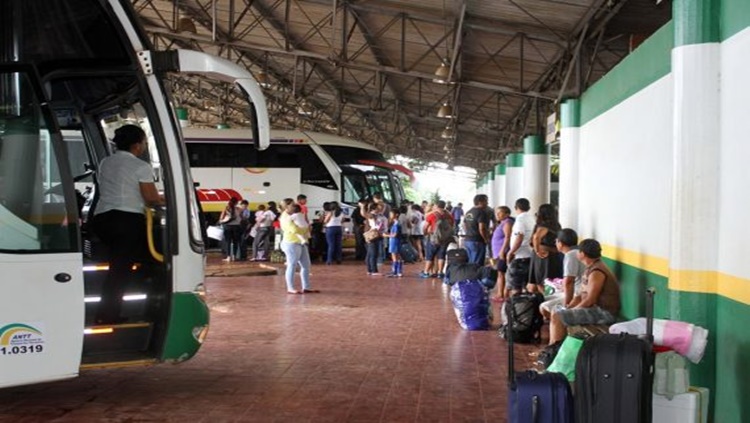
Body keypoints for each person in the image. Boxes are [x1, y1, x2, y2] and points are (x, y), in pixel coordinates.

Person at [93, 125, 164, 324]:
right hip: (126, 221)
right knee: (121, 270)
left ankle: (107, 312)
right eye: (143, 142)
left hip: (102, 220)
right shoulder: (141, 166)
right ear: (136, 145)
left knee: (119, 264)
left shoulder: (105, 162)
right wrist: (169, 199)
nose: (143, 146)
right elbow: (150, 198)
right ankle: (108, 315)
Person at [549, 239, 621, 345]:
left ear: (582, 254)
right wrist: (569, 308)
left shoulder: (597, 271)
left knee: (558, 316)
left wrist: (573, 310)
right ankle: (555, 348)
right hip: (595, 309)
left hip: (604, 313)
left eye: (578, 251)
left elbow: (590, 300)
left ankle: (553, 350)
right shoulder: (591, 268)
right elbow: (580, 296)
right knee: (557, 311)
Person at [540, 228, 585, 320]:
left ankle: (562, 325)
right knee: (541, 299)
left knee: (543, 307)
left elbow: (569, 282)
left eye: (556, 241)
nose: (555, 243)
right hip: (575, 292)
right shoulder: (577, 252)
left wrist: (566, 305)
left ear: (560, 243)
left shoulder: (570, 255)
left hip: (576, 294)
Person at [280, 202, 318, 294]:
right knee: (292, 264)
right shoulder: (285, 218)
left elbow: (301, 228)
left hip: (301, 242)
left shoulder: (294, 216)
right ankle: (290, 288)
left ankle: (306, 287)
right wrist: (305, 229)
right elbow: (294, 230)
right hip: (291, 243)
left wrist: (303, 229)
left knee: (306, 265)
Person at [527, 203, 564, 294]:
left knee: (542, 281)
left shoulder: (544, 225)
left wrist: (537, 250)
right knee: (550, 282)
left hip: (544, 256)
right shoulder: (556, 225)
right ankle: (547, 300)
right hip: (552, 255)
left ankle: (546, 302)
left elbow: (536, 237)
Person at [506, 198, 535, 295]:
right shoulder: (532, 219)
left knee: (516, 287)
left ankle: (516, 308)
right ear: (529, 207)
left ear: (516, 208)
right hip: (530, 255)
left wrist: (511, 252)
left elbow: (519, 236)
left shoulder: (520, 220)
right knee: (526, 285)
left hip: (520, 257)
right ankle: (525, 307)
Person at [419, 200, 454, 278]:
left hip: (433, 238)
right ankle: (440, 272)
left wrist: (425, 233)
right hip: (445, 239)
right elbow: (452, 225)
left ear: (436, 206)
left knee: (429, 256)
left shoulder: (432, 215)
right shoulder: (449, 215)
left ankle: (426, 272)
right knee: (441, 256)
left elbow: (425, 226)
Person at [490, 206, 513, 302]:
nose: (497, 215)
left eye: (500, 213)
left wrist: (502, 251)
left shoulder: (507, 223)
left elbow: (508, 238)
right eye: (497, 213)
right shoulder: (502, 223)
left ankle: (501, 294)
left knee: (501, 273)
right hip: (498, 253)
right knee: (500, 273)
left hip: (502, 253)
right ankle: (502, 293)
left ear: (507, 214)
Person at [463, 194, 492, 265]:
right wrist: (486, 239)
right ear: (480, 202)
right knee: (477, 263)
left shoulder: (469, 212)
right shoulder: (481, 212)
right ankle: (475, 276)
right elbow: (481, 228)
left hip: (468, 240)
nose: (487, 203)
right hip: (477, 241)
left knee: (470, 261)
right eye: (486, 201)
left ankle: (470, 275)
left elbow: (464, 225)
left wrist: (469, 232)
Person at [361, 201, 387, 275]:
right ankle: (373, 270)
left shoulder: (378, 215)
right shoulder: (371, 215)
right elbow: (364, 214)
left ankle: (370, 270)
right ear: (374, 209)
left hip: (375, 235)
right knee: (373, 253)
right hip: (373, 235)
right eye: (378, 208)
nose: (380, 209)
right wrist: (362, 206)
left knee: (370, 253)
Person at [219, 197, 242, 261]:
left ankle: (228, 257)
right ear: (236, 202)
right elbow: (241, 218)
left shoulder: (227, 208)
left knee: (228, 242)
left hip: (228, 226)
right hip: (236, 226)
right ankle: (234, 256)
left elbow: (221, 217)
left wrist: (221, 221)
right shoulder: (239, 209)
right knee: (235, 242)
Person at [383, 208, 404, 277]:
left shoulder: (397, 224)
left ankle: (395, 271)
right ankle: (399, 271)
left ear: (396, 215)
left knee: (394, 256)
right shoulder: (395, 223)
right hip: (395, 241)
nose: (390, 215)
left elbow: (395, 234)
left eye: (391, 214)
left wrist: (386, 235)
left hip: (395, 241)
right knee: (397, 256)